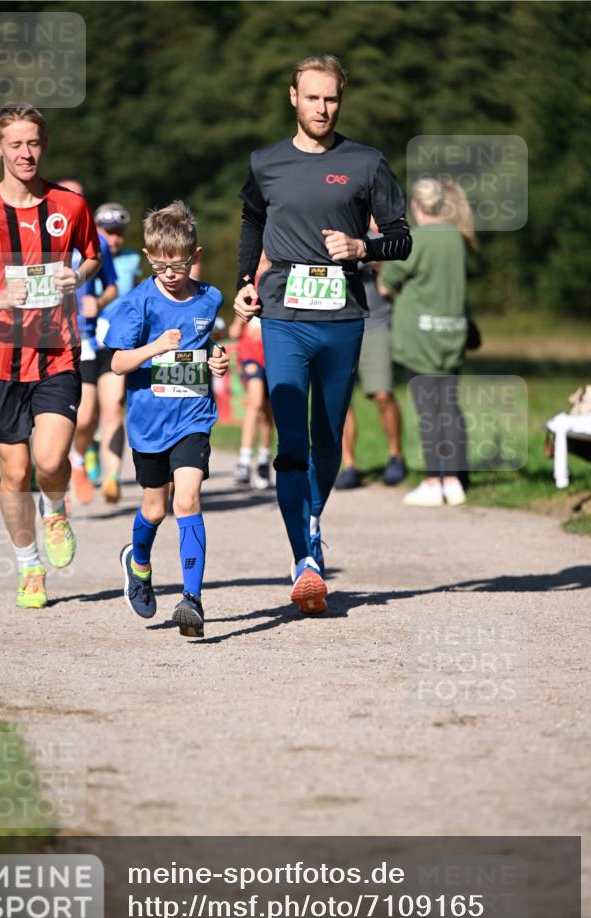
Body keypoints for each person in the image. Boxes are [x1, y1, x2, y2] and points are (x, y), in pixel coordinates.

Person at [233, 54, 411, 614]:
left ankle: (312, 514)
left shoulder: (366, 162)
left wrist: (365, 248)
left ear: (341, 99)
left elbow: (402, 238)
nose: (322, 107)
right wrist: (244, 280)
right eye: (312, 97)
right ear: (294, 97)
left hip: (343, 316)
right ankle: (305, 557)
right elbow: (252, 221)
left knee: (328, 439)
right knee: (291, 443)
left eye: (331, 98)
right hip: (283, 316)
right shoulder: (266, 163)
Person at [0, 103, 100, 609]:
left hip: (56, 353)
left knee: (50, 460)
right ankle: (30, 567)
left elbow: (92, 255)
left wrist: (81, 275)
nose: (25, 153)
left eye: (33, 143)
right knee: (14, 473)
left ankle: (55, 509)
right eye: (15, 145)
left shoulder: (69, 206)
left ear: (43, 145)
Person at [105, 201, 229, 637]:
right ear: (147, 256)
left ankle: (192, 601)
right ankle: (137, 563)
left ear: (194, 256)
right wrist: (155, 348)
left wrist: (218, 359)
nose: (169, 274)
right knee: (155, 508)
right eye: (159, 265)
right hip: (149, 422)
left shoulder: (210, 296)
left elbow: (208, 344)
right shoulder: (137, 302)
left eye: (177, 265)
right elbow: (119, 364)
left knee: (187, 499)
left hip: (193, 416)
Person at [380, 177, 475, 506]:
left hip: (419, 338)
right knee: (449, 408)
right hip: (452, 334)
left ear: (416, 207)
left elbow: (387, 283)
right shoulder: (457, 238)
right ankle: (454, 481)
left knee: (427, 410)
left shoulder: (415, 240)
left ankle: (434, 480)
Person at [55, 183, 119, 505]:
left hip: (90, 338)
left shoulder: (97, 242)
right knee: (72, 416)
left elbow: (112, 286)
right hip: (54, 338)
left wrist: (99, 300)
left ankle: (79, 461)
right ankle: (66, 465)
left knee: (93, 412)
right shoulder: (41, 239)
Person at [335, 234, 406, 489]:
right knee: (341, 400)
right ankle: (349, 465)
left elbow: (398, 278)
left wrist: (371, 258)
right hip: (337, 325)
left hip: (375, 323)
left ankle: (396, 456)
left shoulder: (378, 235)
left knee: (382, 394)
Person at [85, 202, 144, 503]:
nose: (114, 238)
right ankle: (85, 452)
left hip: (117, 342)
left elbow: (135, 292)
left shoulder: (134, 259)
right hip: (87, 339)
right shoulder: (89, 256)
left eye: (119, 232)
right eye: (108, 231)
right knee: (86, 414)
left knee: (113, 408)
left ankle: (112, 476)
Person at [229, 253, 273, 490]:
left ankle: (264, 460)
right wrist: (239, 324)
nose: (263, 267)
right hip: (252, 354)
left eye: (268, 262)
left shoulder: (281, 284)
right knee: (255, 402)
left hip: (274, 354)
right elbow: (236, 328)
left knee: (268, 411)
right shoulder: (249, 287)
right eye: (260, 263)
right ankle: (245, 460)